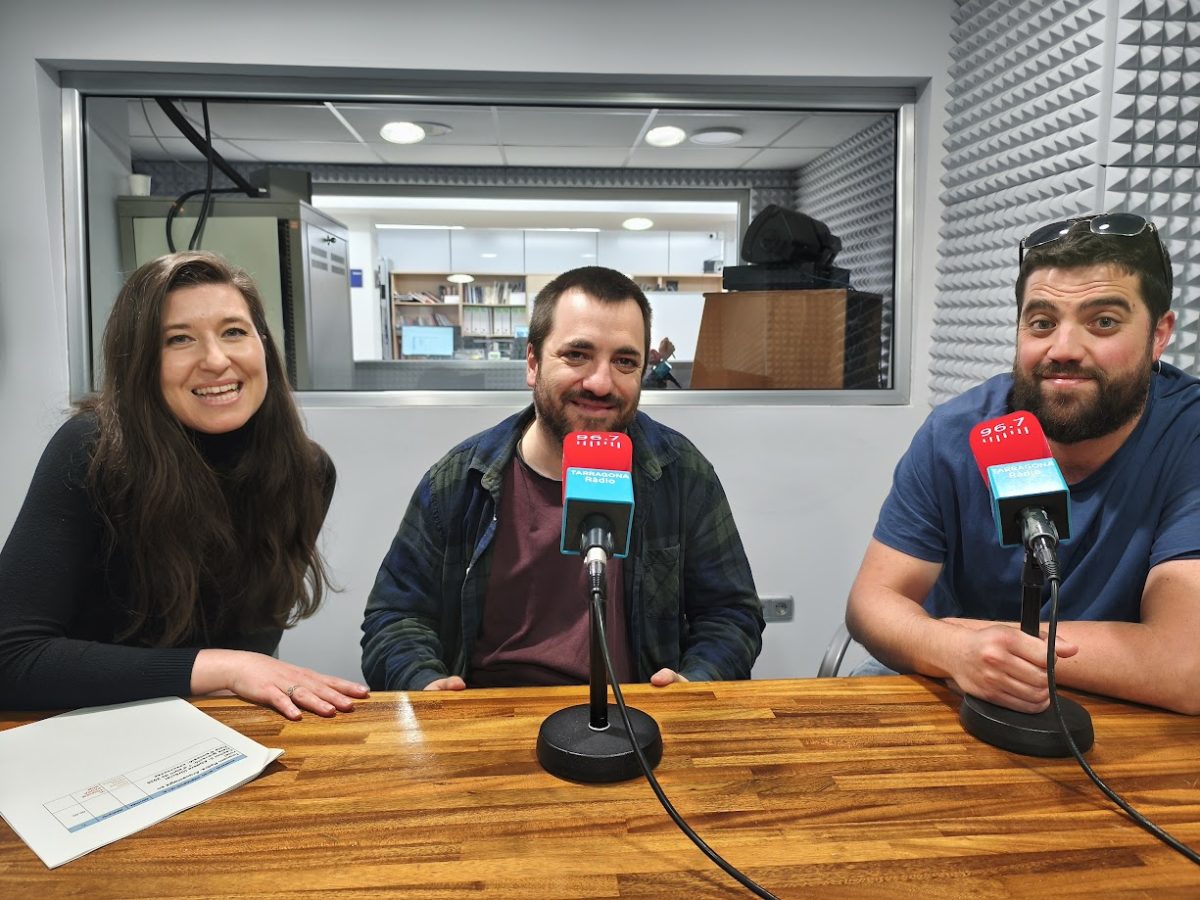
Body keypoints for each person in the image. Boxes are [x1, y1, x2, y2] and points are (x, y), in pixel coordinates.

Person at [846, 212, 1200, 716]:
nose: (1063, 349)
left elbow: (1186, 666)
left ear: (1159, 334)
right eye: (1042, 323)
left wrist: (970, 637)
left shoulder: (1188, 438)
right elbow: (871, 601)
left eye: (1103, 322)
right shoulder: (956, 433)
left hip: (1123, 707)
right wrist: (953, 651)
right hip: (961, 687)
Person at [0, 251, 368, 718]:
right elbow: (10, 658)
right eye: (179, 339)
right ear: (139, 364)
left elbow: (248, 648)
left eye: (234, 331)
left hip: (203, 733)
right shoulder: (91, 450)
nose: (216, 360)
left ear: (264, 346)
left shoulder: (305, 471)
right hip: (74, 732)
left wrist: (230, 671)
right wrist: (223, 668)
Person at [362, 266, 763, 691]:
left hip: (634, 717)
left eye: (624, 361)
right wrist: (427, 684)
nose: (600, 382)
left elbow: (732, 615)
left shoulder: (681, 474)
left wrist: (694, 682)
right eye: (577, 355)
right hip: (489, 713)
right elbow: (394, 618)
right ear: (533, 363)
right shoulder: (459, 480)